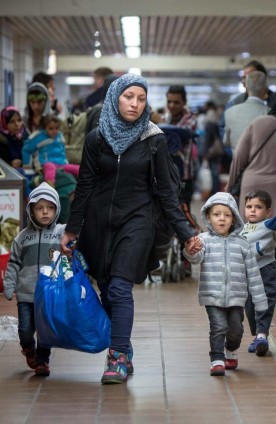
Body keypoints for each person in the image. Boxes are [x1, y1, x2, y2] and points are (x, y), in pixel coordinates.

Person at [61, 74, 196, 384]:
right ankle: (124, 343)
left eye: (141, 98)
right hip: (98, 224)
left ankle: (117, 355)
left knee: (121, 287)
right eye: (129, 97)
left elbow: (166, 193)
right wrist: (72, 228)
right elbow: (85, 185)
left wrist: (187, 233)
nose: (135, 104)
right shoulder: (97, 138)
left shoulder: (154, 139)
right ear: (115, 98)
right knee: (107, 289)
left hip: (137, 221)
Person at [183, 192, 267, 376]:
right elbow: (196, 259)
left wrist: (260, 302)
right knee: (218, 327)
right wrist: (190, 251)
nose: (222, 219)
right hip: (212, 295)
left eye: (227, 215)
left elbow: (253, 274)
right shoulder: (204, 240)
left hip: (237, 297)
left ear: (234, 219)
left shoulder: (243, 244)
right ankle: (217, 359)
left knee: (236, 329)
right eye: (216, 214)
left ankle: (231, 350)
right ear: (208, 217)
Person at [227, 86, 276, 290]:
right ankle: (275, 281)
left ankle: (247, 278)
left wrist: (229, 187)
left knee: (249, 230)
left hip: (252, 185)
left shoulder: (257, 123)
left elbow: (239, 158)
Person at [3, 183, 66, 377]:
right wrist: (9, 285)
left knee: (45, 331)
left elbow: (76, 241)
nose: (45, 212)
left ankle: (42, 361)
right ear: (31, 210)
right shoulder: (22, 238)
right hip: (26, 293)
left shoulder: (60, 233)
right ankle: (28, 348)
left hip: (49, 294)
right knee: (25, 329)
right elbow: (13, 263)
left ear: (57, 209)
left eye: (50, 207)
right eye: (39, 208)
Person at [238, 190, 276, 356]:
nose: (253, 210)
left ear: (267, 211)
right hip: (247, 272)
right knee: (249, 306)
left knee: (265, 300)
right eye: (249, 206)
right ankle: (257, 335)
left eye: (258, 207)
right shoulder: (241, 228)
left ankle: (262, 335)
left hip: (265, 269)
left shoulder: (269, 224)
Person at [219, 59, 272, 140]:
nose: (244, 82)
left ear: (262, 78)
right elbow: (223, 131)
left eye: (249, 77)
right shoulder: (235, 103)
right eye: (243, 78)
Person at [22, 114, 80, 185]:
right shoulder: (38, 137)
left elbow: (62, 151)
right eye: (51, 128)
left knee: (79, 169)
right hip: (45, 165)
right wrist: (27, 165)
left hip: (61, 164)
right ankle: (50, 188)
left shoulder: (60, 136)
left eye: (56, 128)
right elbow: (26, 149)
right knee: (50, 168)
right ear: (45, 128)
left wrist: (65, 161)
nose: (54, 131)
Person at [223, 71, 269, 152]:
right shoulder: (269, 113)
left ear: (247, 88)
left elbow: (226, 141)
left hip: (237, 163)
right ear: (265, 90)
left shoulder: (229, 112)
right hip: (262, 163)